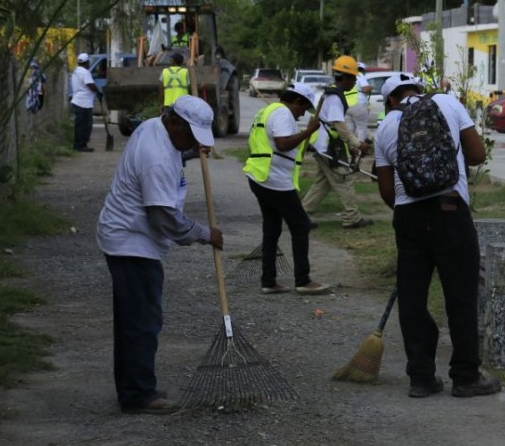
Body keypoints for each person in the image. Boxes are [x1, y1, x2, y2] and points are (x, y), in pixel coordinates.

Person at [373, 73, 500, 398]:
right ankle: (465, 376)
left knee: (412, 299)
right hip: (451, 211)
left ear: (391, 100)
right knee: (460, 297)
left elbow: (387, 190)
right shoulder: (447, 103)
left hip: (408, 218)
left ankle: (421, 378)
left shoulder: (386, 126)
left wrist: (408, 209)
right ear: (419, 90)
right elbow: (476, 155)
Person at [96, 95, 224, 414]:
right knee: (141, 321)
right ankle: (138, 395)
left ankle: (136, 387)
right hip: (130, 242)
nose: (193, 142)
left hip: (130, 237)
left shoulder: (156, 127)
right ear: (174, 122)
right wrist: (206, 234)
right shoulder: (156, 157)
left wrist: (192, 152)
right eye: (191, 136)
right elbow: (164, 218)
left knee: (138, 319)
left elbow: (175, 152)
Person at [244, 83, 332, 296]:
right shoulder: (283, 113)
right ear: (297, 101)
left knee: (272, 228)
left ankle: (269, 281)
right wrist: (308, 131)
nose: (303, 113)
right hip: (274, 180)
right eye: (303, 108)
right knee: (301, 225)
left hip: (260, 176)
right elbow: (283, 144)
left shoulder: (268, 110)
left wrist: (306, 136)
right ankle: (303, 280)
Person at [301, 55, 373, 228]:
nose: (355, 82)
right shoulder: (334, 97)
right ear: (346, 77)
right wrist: (357, 143)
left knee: (323, 183)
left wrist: (350, 145)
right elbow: (340, 126)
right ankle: (351, 218)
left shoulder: (334, 93)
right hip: (326, 146)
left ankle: (300, 216)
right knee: (344, 179)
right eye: (354, 78)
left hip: (324, 145)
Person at [69, 53, 98, 152]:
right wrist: (98, 92)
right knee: (85, 125)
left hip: (78, 101)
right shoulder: (85, 72)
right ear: (87, 62)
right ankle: (82, 145)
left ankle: (77, 144)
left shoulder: (76, 71)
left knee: (79, 124)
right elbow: (90, 84)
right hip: (84, 103)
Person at [345, 62, 373, 143]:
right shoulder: (360, 75)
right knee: (361, 128)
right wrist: (371, 87)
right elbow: (365, 89)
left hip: (347, 105)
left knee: (350, 129)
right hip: (358, 104)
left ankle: (350, 148)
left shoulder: (348, 77)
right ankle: (361, 148)